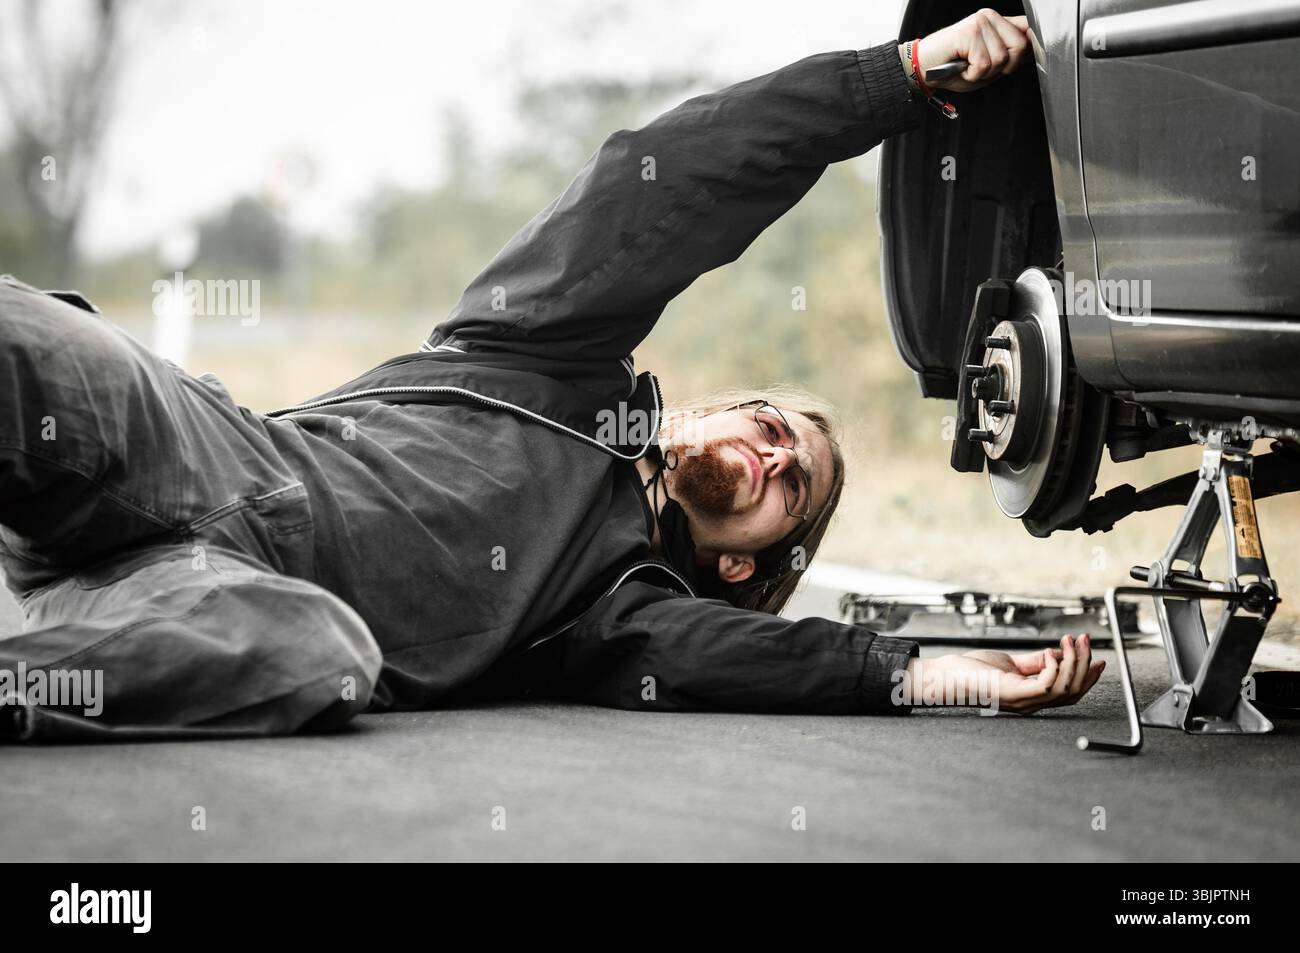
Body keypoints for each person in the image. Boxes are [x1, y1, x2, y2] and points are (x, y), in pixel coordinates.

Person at [0, 9, 1101, 742]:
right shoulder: (550, 361)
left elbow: (779, 662)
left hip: (190, 605)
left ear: (743, 566)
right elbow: (661, 184)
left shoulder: (614, 617)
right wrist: (894, 80)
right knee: (41, 347)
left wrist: (950, 678)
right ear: (708, 411)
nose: (768, 452)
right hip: (196, 452)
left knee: (317, 660)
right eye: (769, 425)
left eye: (792, 484)